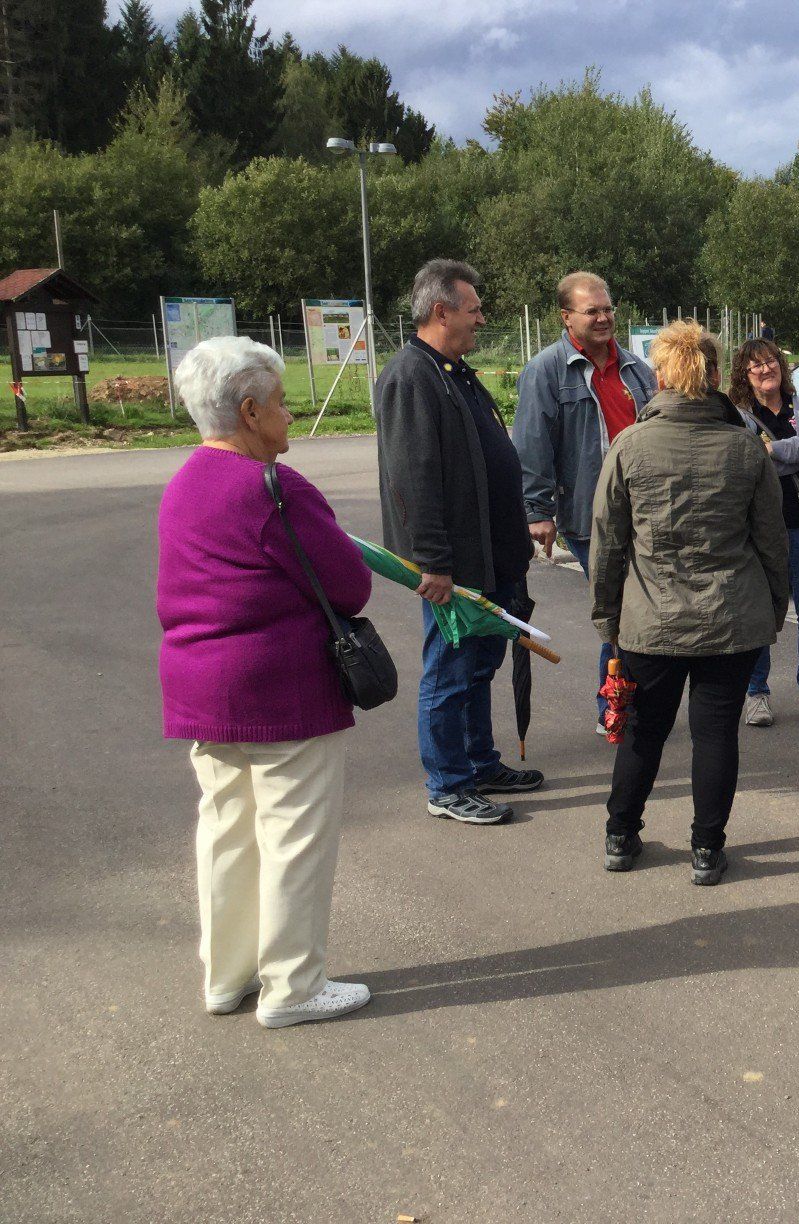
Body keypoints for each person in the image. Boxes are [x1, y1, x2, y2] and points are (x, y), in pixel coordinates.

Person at [157, 335, 374, 1028]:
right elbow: (350, 585)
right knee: (294, 837)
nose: (289, 415)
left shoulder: (184, 482)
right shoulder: (273, 487)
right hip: (281, 688)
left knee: (227, 831)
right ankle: (293, 986)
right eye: (280, 402)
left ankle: (226, 977)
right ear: (249, 412)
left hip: (200, 686)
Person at [590, 320, 789, 886]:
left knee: (643, 731)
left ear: (660, 377)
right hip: (732, 615)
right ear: (716, 375)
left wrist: (608, 618)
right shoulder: (745, 447)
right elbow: (771, 540)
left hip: (651, 619)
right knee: (716, 733)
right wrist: (775, 608)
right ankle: (706, 848)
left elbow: (608, 542)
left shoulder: (631, 445)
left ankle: (620, 835)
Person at [376, 259, 541, 826]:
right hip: (453, 565)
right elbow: (412, 479)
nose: (482, 319)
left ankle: (479, 763)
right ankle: (447, 785)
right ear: (441, 311)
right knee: (449, 672)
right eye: (474, 310)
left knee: (477, 667)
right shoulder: (411, 376)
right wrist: (433, 562)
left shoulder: (454, 372)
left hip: (489, 557)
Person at [512, 271, 657, 732]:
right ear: (566, 316)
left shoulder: (637, 370)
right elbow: (532, 445)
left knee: (637, 607)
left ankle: (627, 700)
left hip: (644, 511)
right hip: (588, 515)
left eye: (607, 308)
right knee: (621, 607)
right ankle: (613, 707)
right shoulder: (546, 370)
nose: (602, 318)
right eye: (591, 310)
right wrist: (537, 511)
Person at [729, 338, 799, 728]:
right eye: (756, 365)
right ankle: (757, 694)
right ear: (745, 374)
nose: (765, 369)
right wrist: (798, 450)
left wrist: (773, 451)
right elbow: (747, 461)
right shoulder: (740, 416)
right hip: (760, 531)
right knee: (758, 616)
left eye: (771, 361)